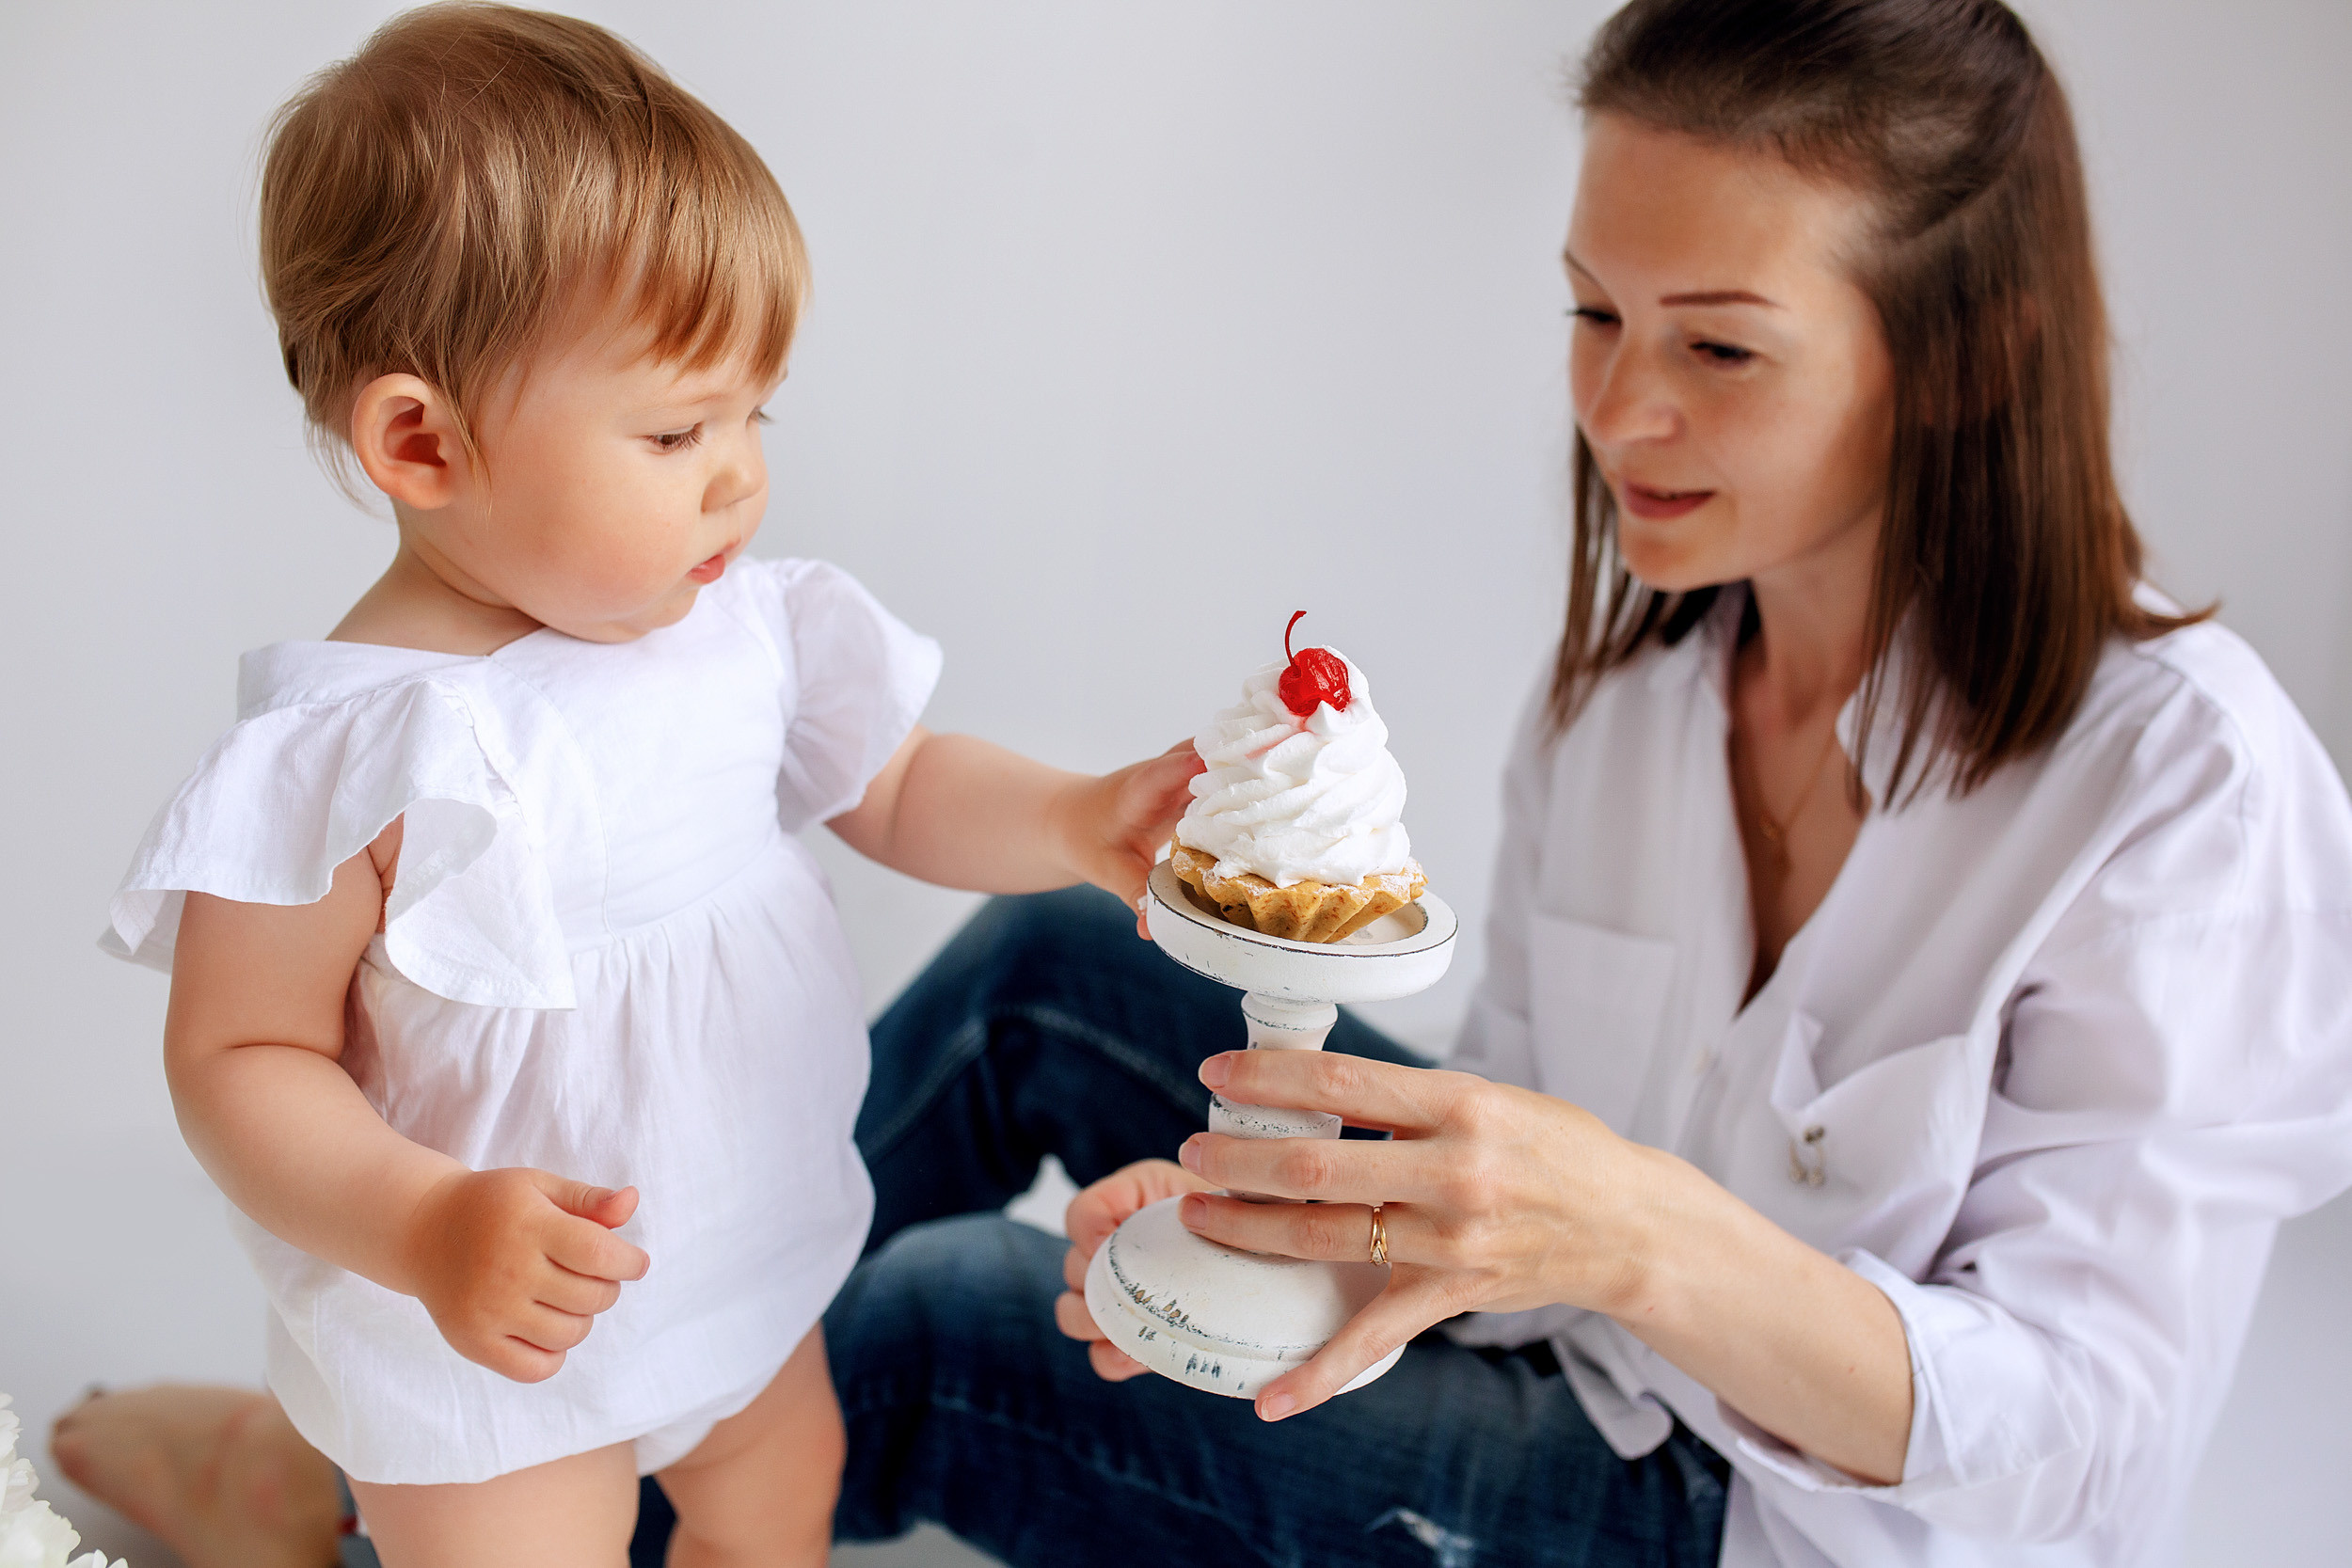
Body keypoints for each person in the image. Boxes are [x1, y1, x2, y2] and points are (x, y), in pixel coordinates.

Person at [57, 1, 2352, 1565]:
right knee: (1056, 959)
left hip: (1747, 1509)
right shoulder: (1648, 685)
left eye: (1718, 347)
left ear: (1959, 357)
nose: (1617, 414)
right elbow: (1513, 1158)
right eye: (1591, 315)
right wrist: (1291, 1238)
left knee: (920, 1325)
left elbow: (2082, 1451)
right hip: (1561, 1318)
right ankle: (466, 1409)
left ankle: (365, 1494)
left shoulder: (2185, 795)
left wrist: (1624, 1230)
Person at [89, 7, 1198, 1567]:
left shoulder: (739, 628)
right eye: (677, 429)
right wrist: (425, 1224)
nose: (741, 471)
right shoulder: (344, 755)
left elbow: (896, 785)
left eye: (755, 411)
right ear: (422, 443)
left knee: (779, 1506)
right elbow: (239, 1056)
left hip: (737, 1252)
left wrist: (1073, 819)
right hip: (487, 1330)